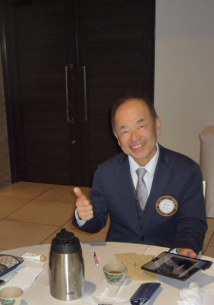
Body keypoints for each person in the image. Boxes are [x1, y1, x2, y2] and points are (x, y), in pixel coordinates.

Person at [73, 96, 207, 257]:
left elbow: (192, 222)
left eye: (141, 126)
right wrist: (83, 216)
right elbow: (96, 223)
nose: (134, 138)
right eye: (125, 131)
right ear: (117, 137)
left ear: (157, 126)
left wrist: (185, 248)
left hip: (167, 256)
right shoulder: (105, 173)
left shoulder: (186, 170)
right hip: (120, 257)